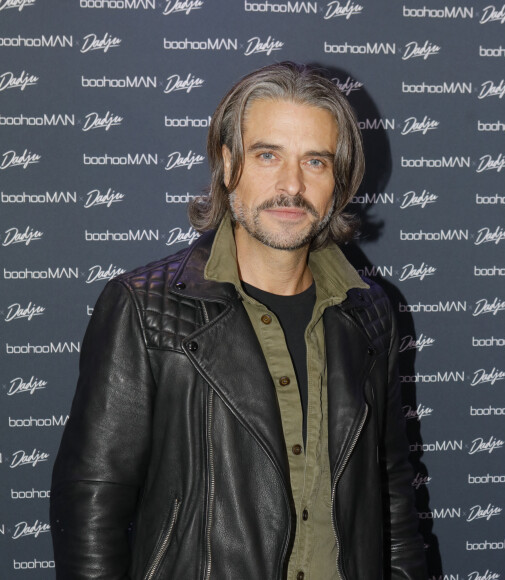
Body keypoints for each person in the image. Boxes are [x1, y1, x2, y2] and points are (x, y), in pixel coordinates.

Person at [50, 61, 427, 580]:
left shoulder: (368, 311)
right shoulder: (145, 309)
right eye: (267, 155)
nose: (291, 186)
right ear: (229, 165)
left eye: (315, 162)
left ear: (337, 183)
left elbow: (393, 498)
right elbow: (93, 506)